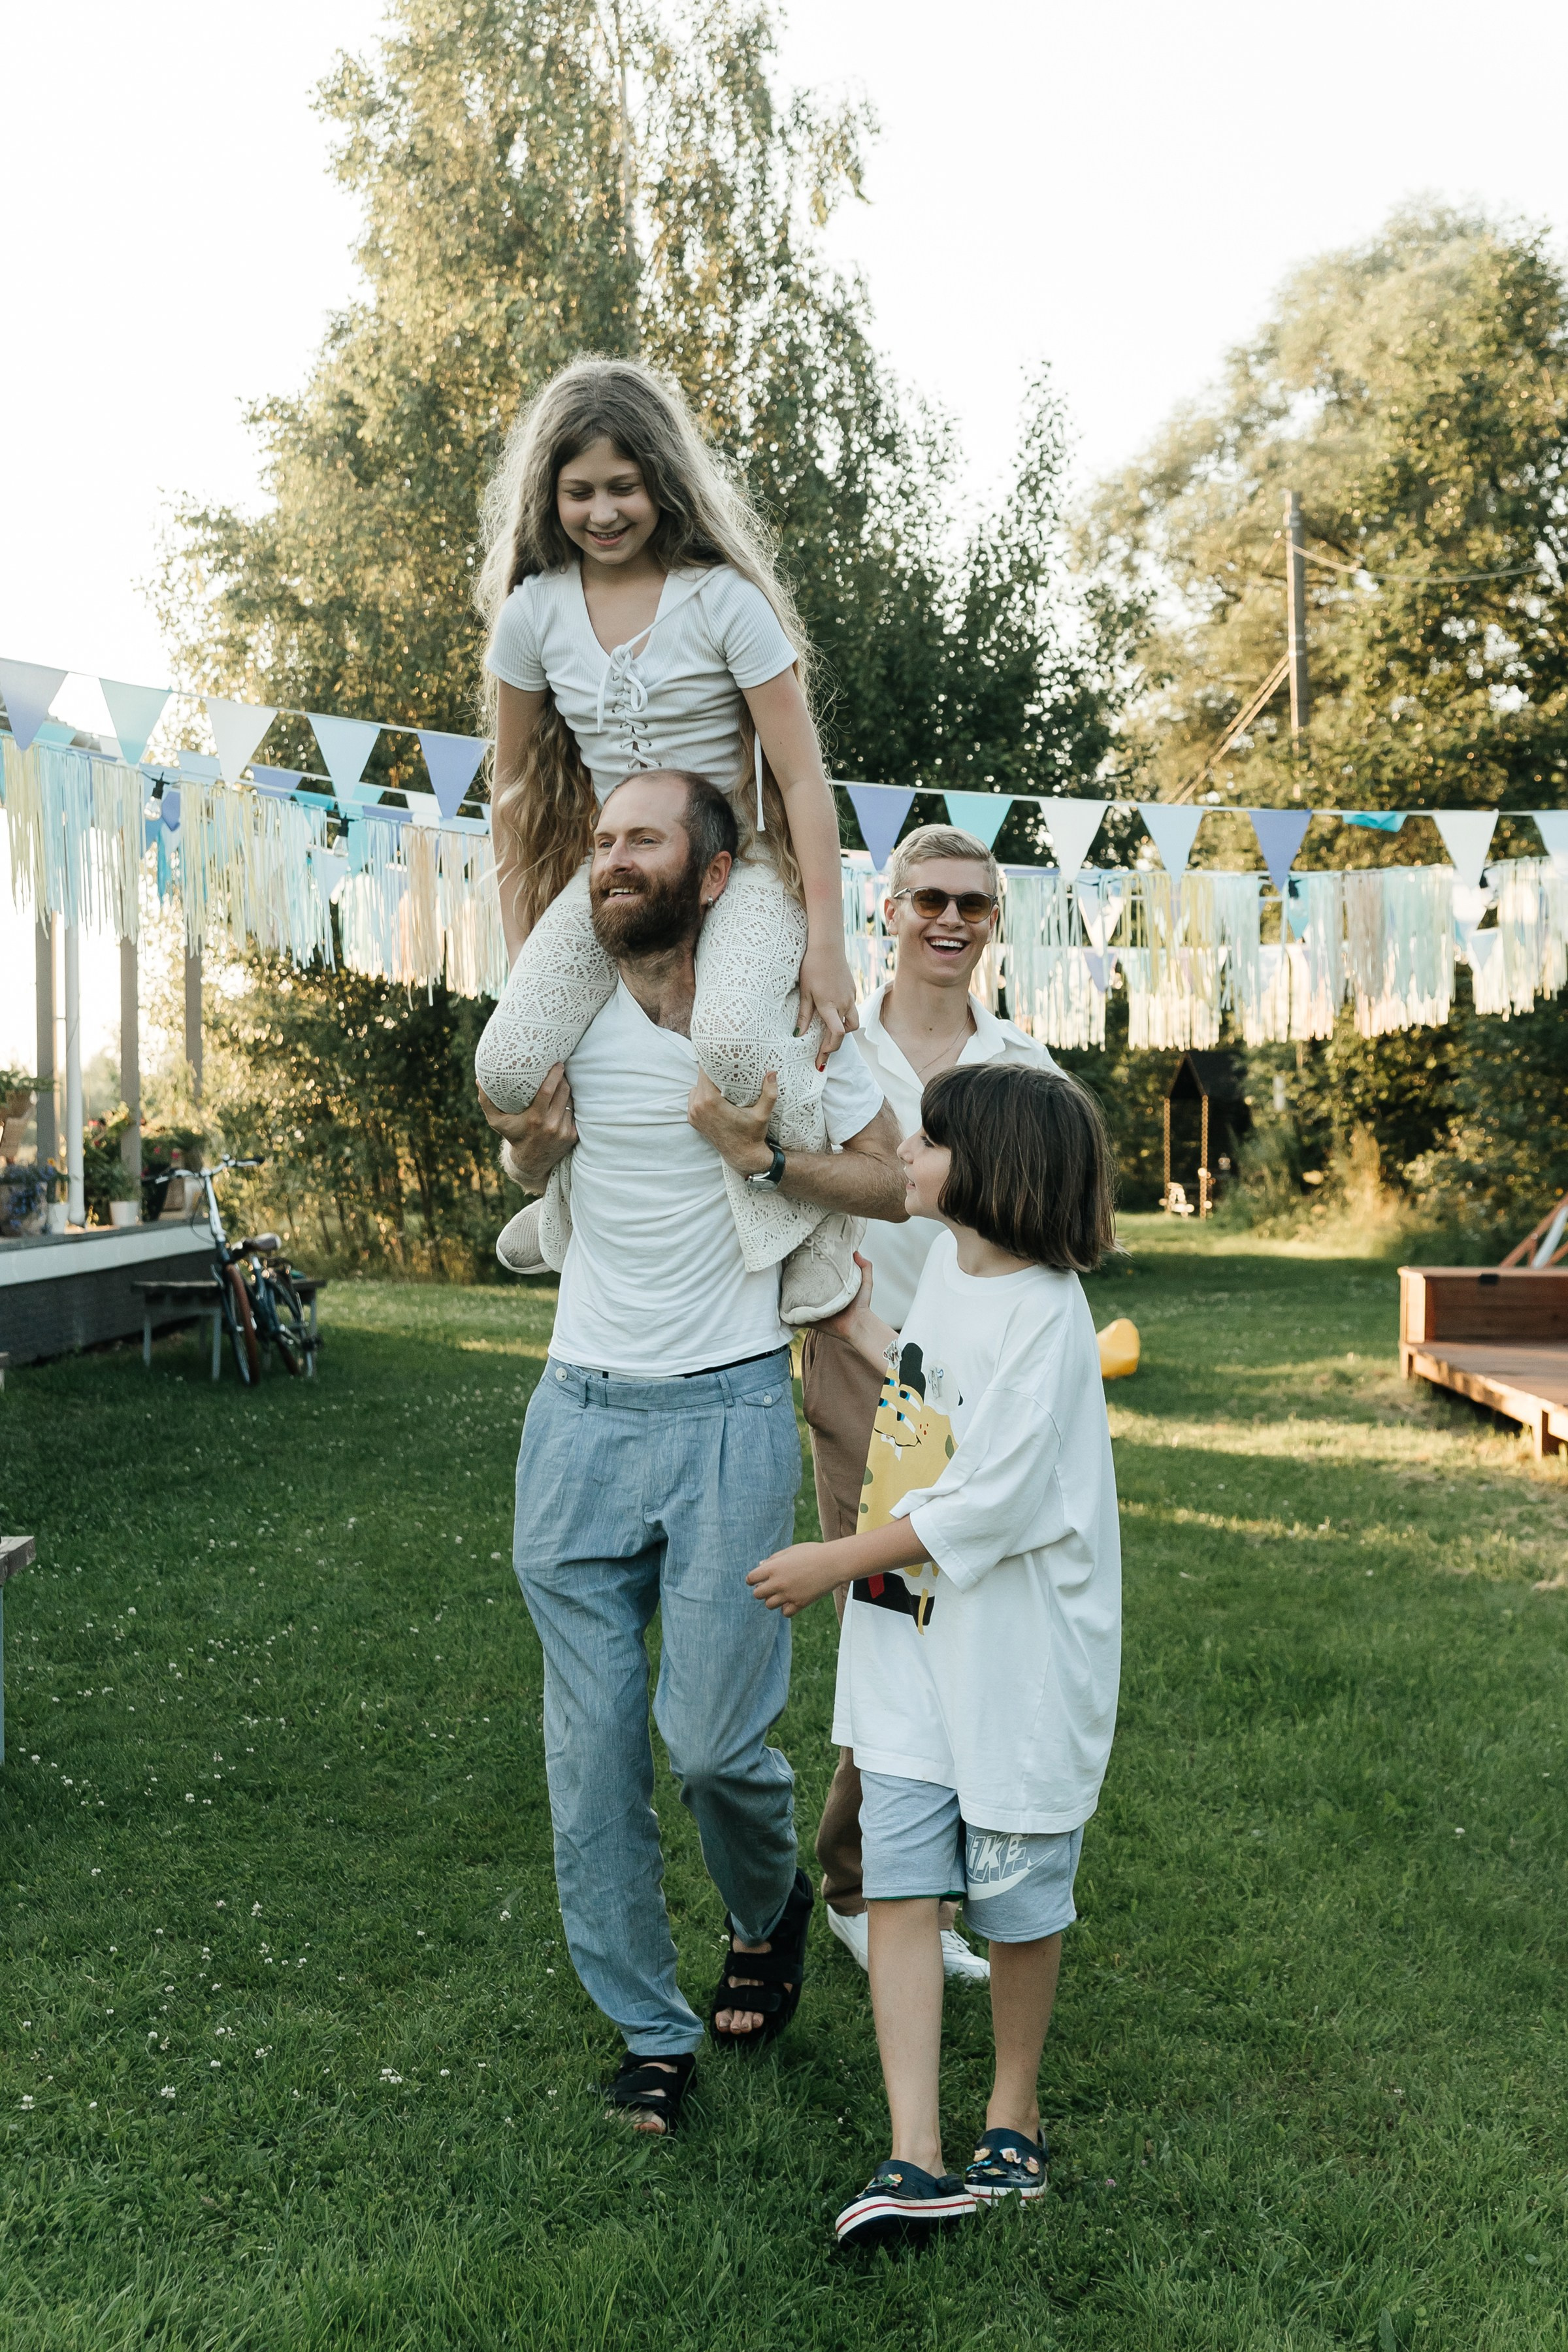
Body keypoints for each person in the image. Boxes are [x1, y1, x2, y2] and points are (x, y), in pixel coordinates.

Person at [474, 768, 905, 2138]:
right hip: (578, 1413)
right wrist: (524, 1157)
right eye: (601, 841)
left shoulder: (763, 1021)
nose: (609, 860)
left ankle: (766, 1897)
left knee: (715, 1744)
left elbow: (889, 1170)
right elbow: (530, 1160)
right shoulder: (567, 1008)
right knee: (591, 1749)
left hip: (724, 1412)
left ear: (711, 876)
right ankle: (650, 2032)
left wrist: (769, 1147)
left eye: (640, 841)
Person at [748, 1063, 1122, 2247]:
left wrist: (831, 1557)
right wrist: (860, 1322)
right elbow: (930, 1397)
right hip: (910, 1646)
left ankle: (1013, 2111)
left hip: (1013, 1664)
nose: (903, 1155)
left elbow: (991, 1501)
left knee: (1013, 1905)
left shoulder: (1051, 1317)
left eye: (926, 1143)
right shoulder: (960, 1277)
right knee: (904, 1883)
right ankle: (915, 2152)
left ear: (992, 1171)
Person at [475, 353, 864, 1322]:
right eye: (579, 492)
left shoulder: (723, 599)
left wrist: (827, 942)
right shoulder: (532, 616)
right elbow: (515, 797)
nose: (603, 512)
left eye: (624, 487)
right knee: (509, 1062)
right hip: (619, 873)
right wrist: (527, 956)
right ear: (548, 497)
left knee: (734, 1041)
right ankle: (558, 1211)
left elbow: (804, 778)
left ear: (663, 482)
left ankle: (806, 1229)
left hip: (742, 871)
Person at [802, 825, 1057, 1982]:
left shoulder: (1023, 1062)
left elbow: (1043, 1213)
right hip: (867, 1358)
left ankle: (906, 1881)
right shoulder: (832, 1046)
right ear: (888, 912)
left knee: (961, 1621)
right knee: (892, 1613)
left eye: (976, 904)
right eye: (931, 901)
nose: (952, 920)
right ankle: (864, 1889)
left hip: (983, 1364)